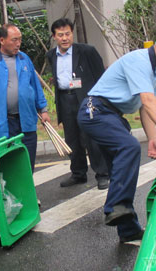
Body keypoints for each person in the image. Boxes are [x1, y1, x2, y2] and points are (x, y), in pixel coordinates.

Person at [76, 25, 156, 244]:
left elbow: (144, 105)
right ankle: (115, 207)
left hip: (112, 115)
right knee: (129, 147)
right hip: (95, 110)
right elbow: (148, 100)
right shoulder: (139, 61)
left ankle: (128, 230)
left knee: (119, 166)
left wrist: (153, 138)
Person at [0, 23, 50, 172]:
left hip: (26, 120)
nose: (18, 43)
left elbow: (35, 86)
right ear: (2, 40)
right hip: (4, 122)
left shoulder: (24, 59)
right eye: (14, 40)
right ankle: (11, 195)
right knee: (9, 165)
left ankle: (28, 194)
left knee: (27, 161)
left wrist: (43, 109)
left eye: (19, 39)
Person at [46, 18, 109, 189]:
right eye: (60, 35)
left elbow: (101, 76)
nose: (65, 38)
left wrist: (101, 101)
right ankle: (78, 173)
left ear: (72, 34)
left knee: (91, 137)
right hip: (65, 100)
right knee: (72, 138)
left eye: (67, 34)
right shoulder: (51, 55)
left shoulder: (87, 51)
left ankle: (102, 174)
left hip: (86, 99)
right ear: (54, 37)